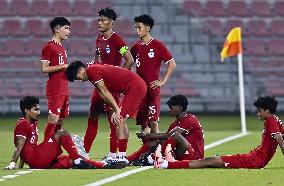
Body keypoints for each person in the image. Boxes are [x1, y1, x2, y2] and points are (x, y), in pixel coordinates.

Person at [154, 96, 284, 169]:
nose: (258, 113)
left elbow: (279, 138)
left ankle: (166, 164)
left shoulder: (271, 121)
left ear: (267, 111)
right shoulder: (276, 120)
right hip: (254, 158)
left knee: (208, 161)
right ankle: (168, 163)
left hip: (255, 161)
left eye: (260, 110)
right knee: (212, 160)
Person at [4, 96, 125, 170]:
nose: (39, 112)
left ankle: (103, 165)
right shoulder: (23, 124)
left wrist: (21, 166)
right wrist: (12, 163)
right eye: (35, 109)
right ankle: (79, 161)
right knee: (62, 133)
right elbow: (19, 146)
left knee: (70, 159)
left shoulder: (32, 123)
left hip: (37, 160)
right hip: (37, 158)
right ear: (26, 111)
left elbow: (25, 148)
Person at [66, 61, 147, 163]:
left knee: (119, 120)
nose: (79, 79)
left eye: (77, 77)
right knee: (120, 120)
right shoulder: (91, 72)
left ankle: (121, 158)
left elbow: (104, 90)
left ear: (82, 69)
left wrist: (117, 109)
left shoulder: (92, 71)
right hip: (134, 87)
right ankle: (122, 155)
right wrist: (116, 108)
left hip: (135, 88)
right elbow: (102, 93)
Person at [85, 7, 134, 159]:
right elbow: (98, 59)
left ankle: (114, 154)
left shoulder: (116, 40)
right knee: (92, 116)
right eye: (98, 20)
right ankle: (85, 153)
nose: (99, 23)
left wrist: (118, 78)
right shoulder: (99, 39)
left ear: (111, 22)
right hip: (99, 85)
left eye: (103, 20)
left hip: (111, 88)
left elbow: (130, 59)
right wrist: (91, 67)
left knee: (112, 119)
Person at [130, 14, 176, 135]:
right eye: (136, 28)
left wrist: (162, 81)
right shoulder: (136, 47)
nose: (137, 30)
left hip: (153, 91)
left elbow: (172, 64)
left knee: (154, 123)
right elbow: (128, 63)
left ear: (147, 28)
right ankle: (147, 152)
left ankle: (157, 153)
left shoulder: (157, 45)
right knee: (144, 128)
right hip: (140, 92)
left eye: (139, 27)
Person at [127, 95, 204, 165]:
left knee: (175, 136)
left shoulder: (190, 120)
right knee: (159, 142)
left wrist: (146, 135)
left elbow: (167, 136)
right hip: (183, 153)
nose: (169, 110)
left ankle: (152, 158)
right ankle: (131, 159)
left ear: (180, 108)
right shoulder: (175, 124)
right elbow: (163, 139)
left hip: (195, 157)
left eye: (171, 107)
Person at [40, 17, 70, 138]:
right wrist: (64, 66)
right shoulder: (49, 47)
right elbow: (44, 68)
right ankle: (46, 148)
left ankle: (53, 149)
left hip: (64, 88)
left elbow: (63, 69)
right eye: (66, 28)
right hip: (55, 88)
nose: (69, 31)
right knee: (54, 117)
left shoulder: (62, 48)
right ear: (57, 29)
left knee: (60, 120)